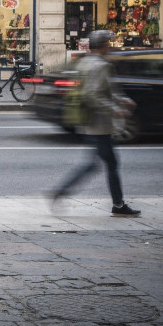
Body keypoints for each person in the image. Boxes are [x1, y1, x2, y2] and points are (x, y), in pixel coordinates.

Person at [50, 30, 140, 217]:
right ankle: (117, 205)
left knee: (100, 163)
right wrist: (115, 108)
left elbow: (100, 90)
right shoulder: (100, 66)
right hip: (99, 124)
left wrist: (121, 99)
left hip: (87, 121)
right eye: (109, 43)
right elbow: (94, 94)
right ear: (103, 45)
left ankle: (117, 204)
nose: (111, 47)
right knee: (106, 164)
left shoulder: (85, 62)